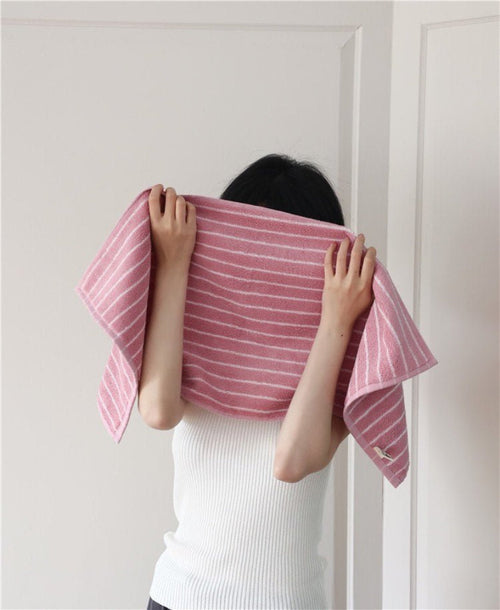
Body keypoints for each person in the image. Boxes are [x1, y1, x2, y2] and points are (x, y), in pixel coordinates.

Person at [142, 154, 377, 610]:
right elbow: (157, 410)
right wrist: (173, 264)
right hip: (180, 596)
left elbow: (291, 461)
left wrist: (336, 320)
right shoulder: (203, 339)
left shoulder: (343, 360)